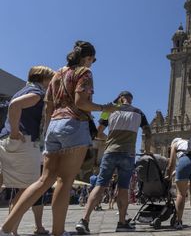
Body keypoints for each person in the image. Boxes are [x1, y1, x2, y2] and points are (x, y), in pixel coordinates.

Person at [1, 41, 117, 236]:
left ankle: (6, 228)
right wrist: (105, 107)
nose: (92, 63)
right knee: (65, 180)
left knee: (43, 180)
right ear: (87, 57)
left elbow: (48, 108)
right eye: (92, 60)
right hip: (73, 125)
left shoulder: (57, 74)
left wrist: (47, 132)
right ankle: (58, 231)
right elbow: (82, 103)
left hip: (53, 126)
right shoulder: (84, 73)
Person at [76, 90, 152, 234]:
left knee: (100, 186)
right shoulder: (139, 112)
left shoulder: (110, 111)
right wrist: (147, 151)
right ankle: (122, 222)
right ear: (130, 99)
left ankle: (84, 220)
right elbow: (148, 133)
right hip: (128, 153)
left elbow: (98, 132)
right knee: (123, 188)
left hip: (110, 152)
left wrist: (109, 140)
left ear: (121, 98)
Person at [0, 66, 55, 235]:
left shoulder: (22, 90)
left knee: (8, 184)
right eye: (50, 79)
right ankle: (8, 230)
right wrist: (16, 132)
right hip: (22, 142)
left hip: (6, 139)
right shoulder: (37, 93)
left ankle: (12, 229)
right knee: (28, 189)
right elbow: (15, 106)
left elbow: (15, 105)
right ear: (43, 78)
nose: (52, 83)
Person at [165, 137, 191, 230]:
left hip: (184, 161)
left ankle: (178, 221)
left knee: (181, 194)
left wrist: (169, 175)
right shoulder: (190, 142)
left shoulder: (175, 144)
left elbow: (172, 163)